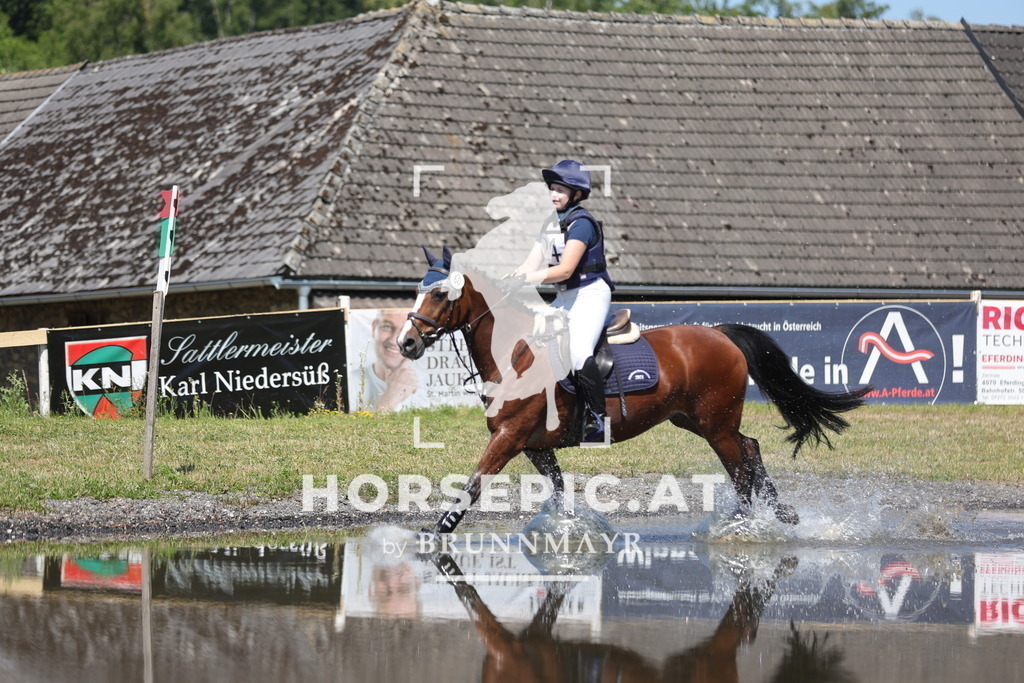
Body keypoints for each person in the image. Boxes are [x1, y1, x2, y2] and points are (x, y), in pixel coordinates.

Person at [508, 160, 614, 441]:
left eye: (560, 190)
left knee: (578, 351)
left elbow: (565, 269)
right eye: (552, 189)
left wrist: (528, 279)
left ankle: (598, 419)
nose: (553, 194)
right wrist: (510, 278)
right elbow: (531, 263)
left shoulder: (582, 224)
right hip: (565, 296)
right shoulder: (549, 224)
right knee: (532, 341)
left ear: (576, 194)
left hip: (590, 293)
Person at [363, 309, 418, 412]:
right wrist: (393, 394)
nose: (394, 341)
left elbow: (419, 427)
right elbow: (360, 427)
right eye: (387, 327)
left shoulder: (427, 387)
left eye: (406, 331)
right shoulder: (349, 382)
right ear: (374, 327)